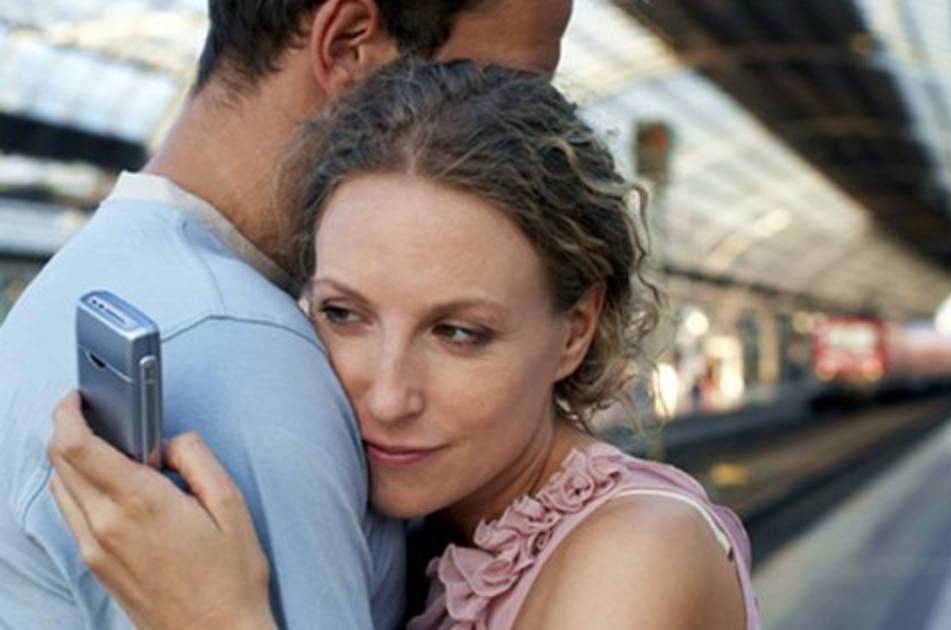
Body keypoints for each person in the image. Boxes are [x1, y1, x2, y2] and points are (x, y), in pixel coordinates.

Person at [48, 58, 762, 629]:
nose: (388, 398)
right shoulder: (411, 533)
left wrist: (212, 619)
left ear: (575, 329)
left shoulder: (642, 549)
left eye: (459, 333)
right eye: (343, 314)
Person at [0, 1, 571, 627]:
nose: (536, 138)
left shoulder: (94, 276)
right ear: (350, 45)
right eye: (507, 89)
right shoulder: (240, 353)